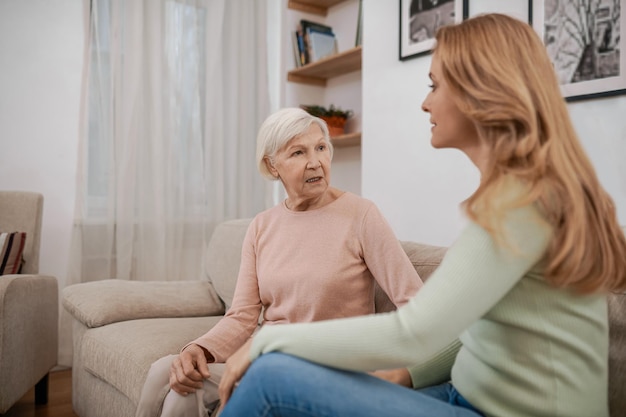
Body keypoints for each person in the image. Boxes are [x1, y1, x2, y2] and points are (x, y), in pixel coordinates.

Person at [217, 13, 626, 417]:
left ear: (479, 92)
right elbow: (465, 323)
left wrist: (265, 343)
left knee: (271, 375)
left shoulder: (524, 206)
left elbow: (413, 330)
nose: (425, 101)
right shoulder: (520, 195)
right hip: (460, 394)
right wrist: (407, 376)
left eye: (434, 85)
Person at [134, 107, 424, 417]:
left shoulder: (361, 215)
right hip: (264, 358)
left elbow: (416, 303)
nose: (315, 162)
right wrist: (199, 349)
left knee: (181, 391)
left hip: (326, 366)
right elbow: (243, 316)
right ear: (273, 166)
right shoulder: (261, 226)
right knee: (170, 376)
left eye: (321, 148)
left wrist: (402, 371)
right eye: (298, 152)